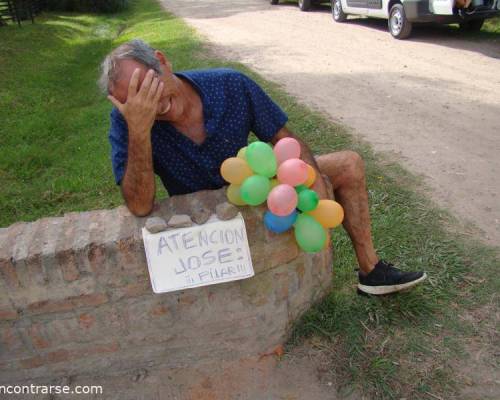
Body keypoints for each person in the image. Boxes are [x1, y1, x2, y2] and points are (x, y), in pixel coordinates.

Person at [100, 39, 426, 296]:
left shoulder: (229, 84)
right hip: (205, 209)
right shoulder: (127, 122)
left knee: (349, 164)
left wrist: (315, 188)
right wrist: (138, 130)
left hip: (255, 187)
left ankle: (371, 271)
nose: (149, 105)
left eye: (148, 88)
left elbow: (286, 139)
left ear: (162, 61)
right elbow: (140, 204)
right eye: (132, 100)